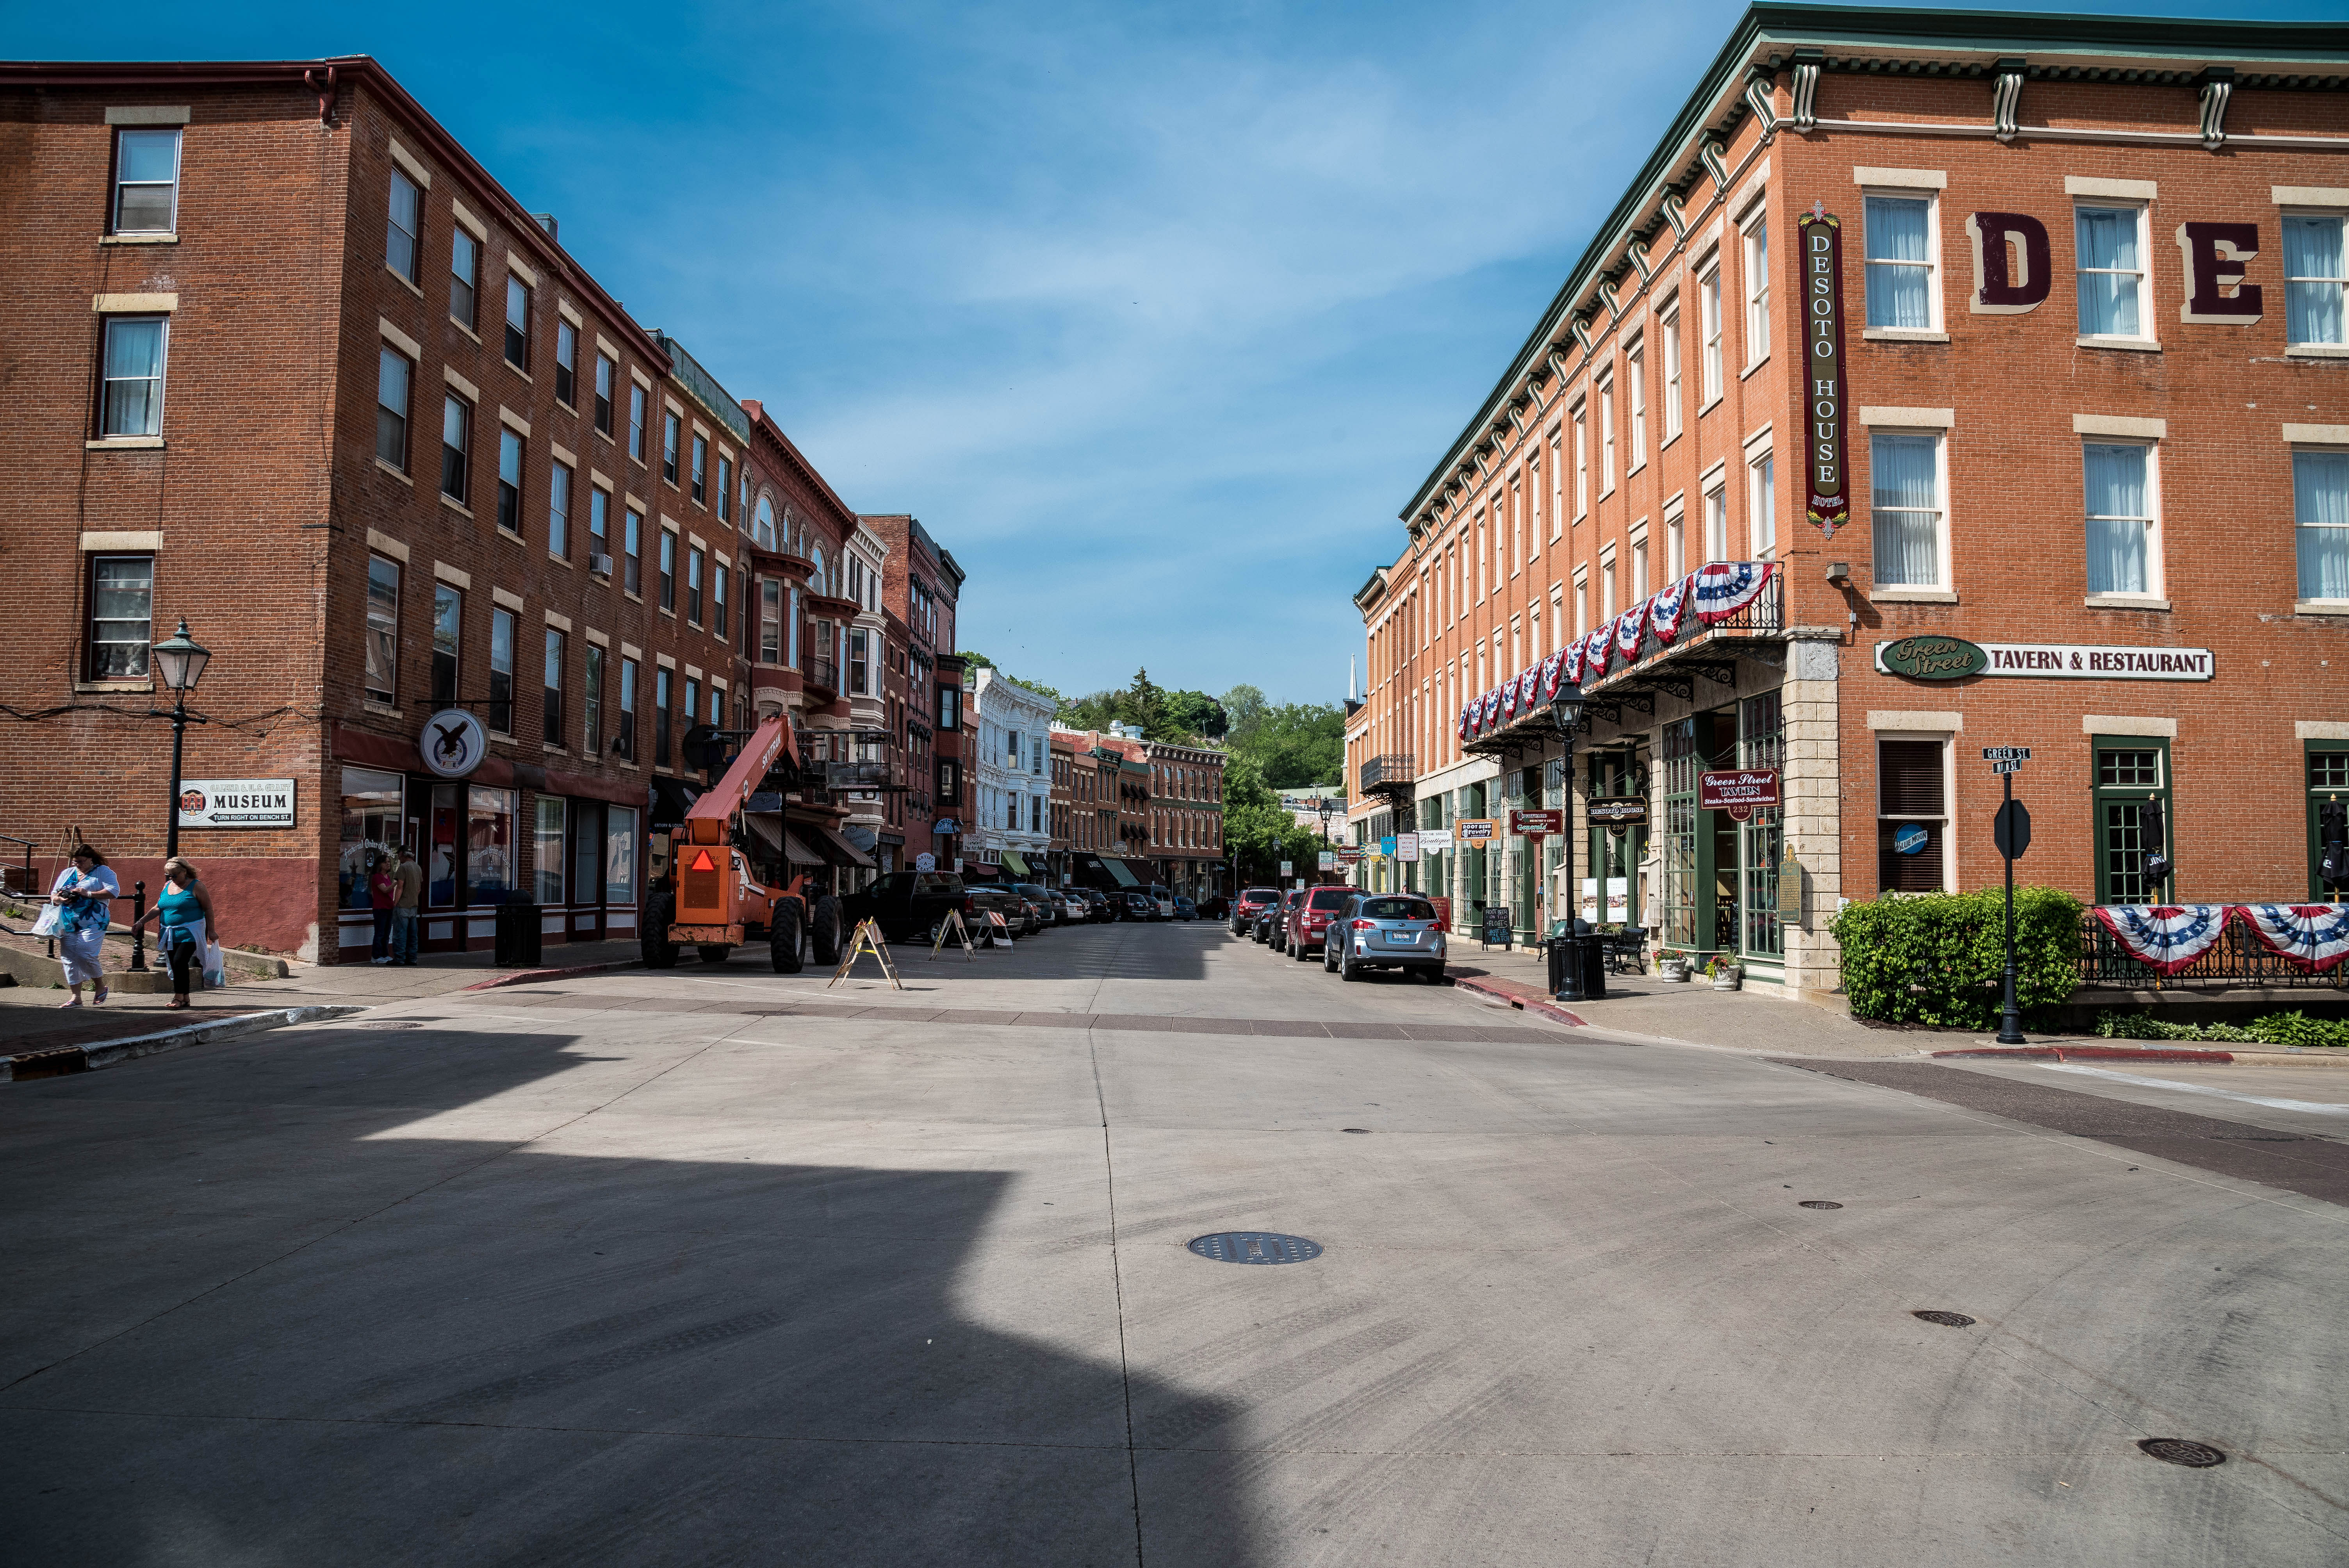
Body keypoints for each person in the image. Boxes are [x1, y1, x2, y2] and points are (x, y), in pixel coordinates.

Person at [130, 857, 218, 1010]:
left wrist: (212, 931)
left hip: (191, 932)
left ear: (184, 872)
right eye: (169, 876)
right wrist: (141, 922)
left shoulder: (197, 886)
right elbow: (158, 907)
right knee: (175, 964)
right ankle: (185, 998)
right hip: (170, 934)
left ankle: (178, 996)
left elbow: (208, 909)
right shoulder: (168, 886)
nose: (172, 878)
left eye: (175, 875)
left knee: (179, 962)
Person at [47, 844, 119, 1007]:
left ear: (90, 859)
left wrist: (89, 893)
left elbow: (114, 892)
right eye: (75, 862)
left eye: (80, 861)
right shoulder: (67, 873)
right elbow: (54, 894)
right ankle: (76, 997)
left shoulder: (103, 872)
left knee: (85, 954)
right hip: (68, 921)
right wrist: (60, 899)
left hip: (95, 921)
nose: (77, 865)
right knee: (68, 958)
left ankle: (100, 986)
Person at [391, 844, 424, 966]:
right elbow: (419, 889)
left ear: (403, 855)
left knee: (400, 933)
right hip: (414, 905)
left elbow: (400, 887)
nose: (399, 859)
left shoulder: (403, 868)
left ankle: (399, 959)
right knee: (412, 935)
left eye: (399, 856)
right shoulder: (418, 868)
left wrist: (396, 902)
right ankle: (412, 958)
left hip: (403, 905)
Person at [367, 850, 397, 964]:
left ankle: (385, 954)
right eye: (385, 862)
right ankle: (376, 956)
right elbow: (385, 890)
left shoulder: (387, 877)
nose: (388, 864)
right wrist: (396, 883)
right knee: (379, 933)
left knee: (386, 934)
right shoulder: (377, 877)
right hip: (380, 909)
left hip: (389, 908)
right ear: (380, 865)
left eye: (389, 862)